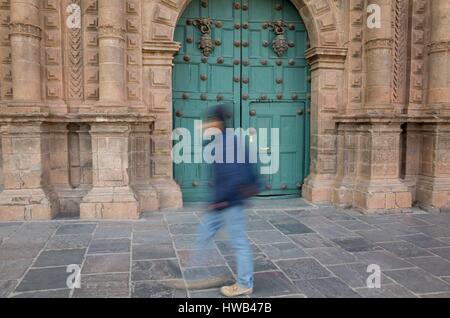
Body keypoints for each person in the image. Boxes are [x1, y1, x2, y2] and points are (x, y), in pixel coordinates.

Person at [193, 104, 261, 297]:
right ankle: (195, 270)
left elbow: (234, 175)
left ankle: (244, 283)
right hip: (226, 199)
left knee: (238, 241)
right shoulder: (227, 140)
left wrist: (220, 200)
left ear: (217, 123)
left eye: (208, 122)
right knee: (205, 230)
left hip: (229, 201)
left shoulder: (227, 143)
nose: (205, 126)